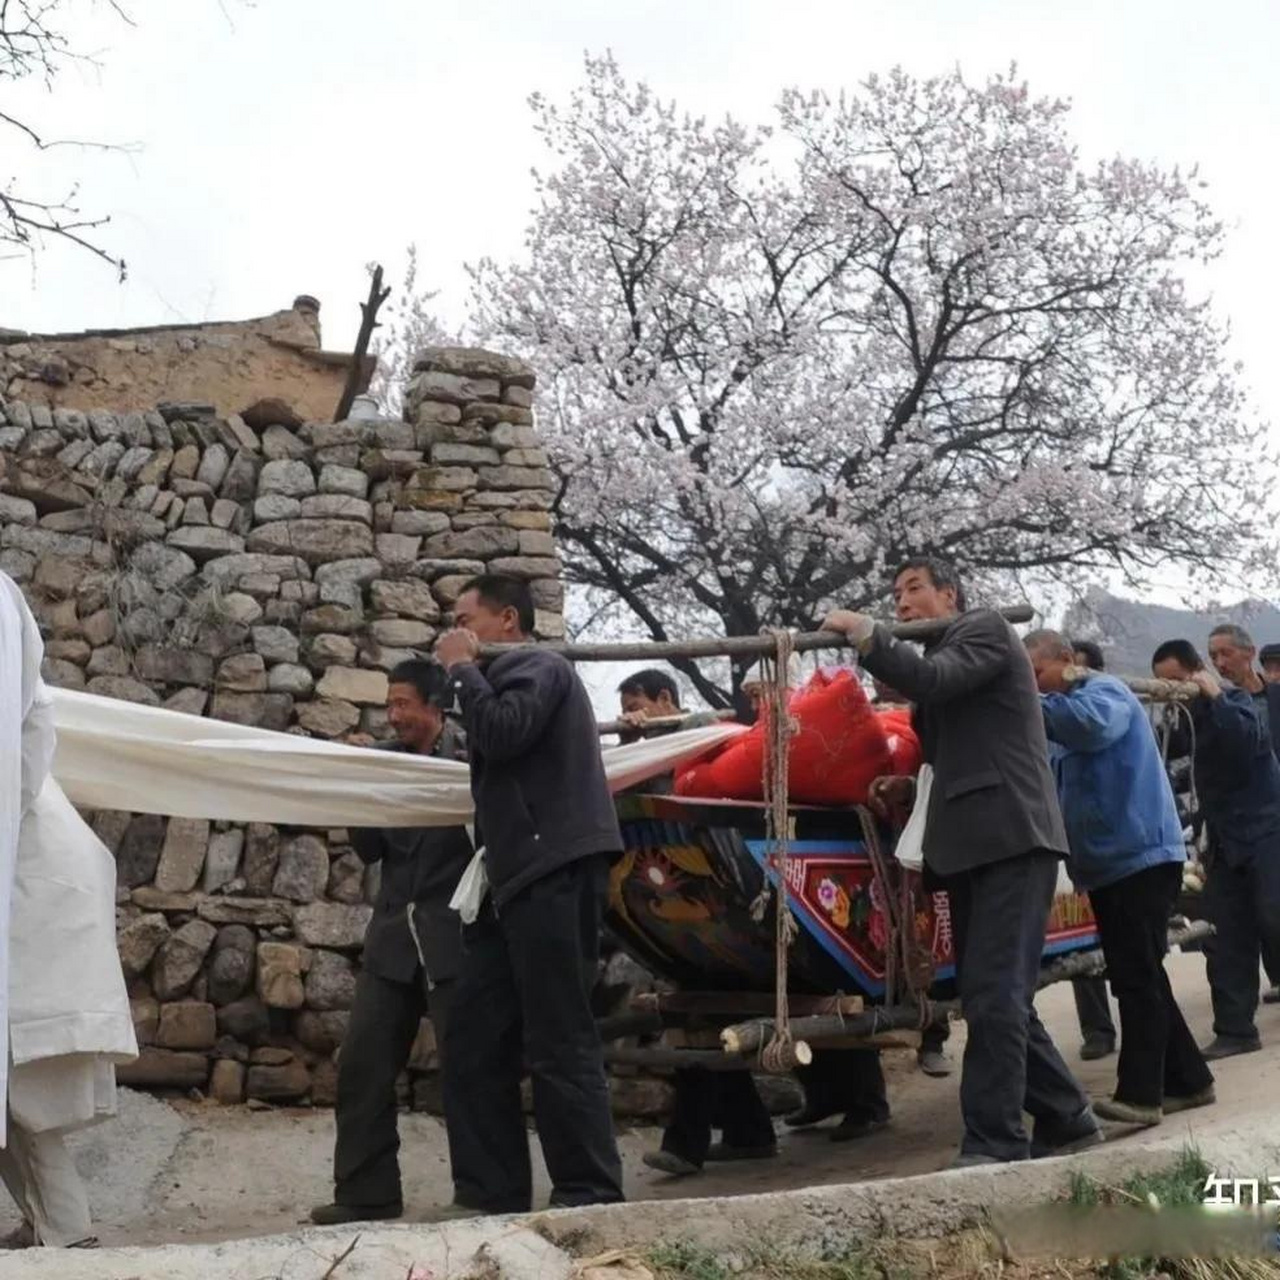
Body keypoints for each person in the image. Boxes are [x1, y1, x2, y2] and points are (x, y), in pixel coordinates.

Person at [825, 557, 1098, 1166]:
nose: (901, 602)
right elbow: (954, 752)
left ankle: (996, 1141)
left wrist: (869, 636)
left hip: (1010, 836)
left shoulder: (985, 628)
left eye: (914, 589)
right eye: (894, 595)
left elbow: (937, 680)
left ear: (951, 594)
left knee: (997, 994)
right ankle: (1066, 1114)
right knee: (988, 994)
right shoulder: (948, 662)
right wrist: (910, 788)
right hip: (971, 844)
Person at [434, 574, 624, 1215]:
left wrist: (461, 671)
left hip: (555, 869)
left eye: (466, 620)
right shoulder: (508, 673)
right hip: (510, 878)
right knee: (473, 1036)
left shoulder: (539, 665)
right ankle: (491, 1190)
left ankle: (588, 1190)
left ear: (507, 619)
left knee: (558, 1035)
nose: (454, 633)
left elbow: (506, 731)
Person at [1025, 631, 1214, 1126]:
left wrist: (1024, 696)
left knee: (1135, 978)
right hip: (1110, 865)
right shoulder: (1056, 716)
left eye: (1035, 672)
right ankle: (1191, 1081)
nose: (1032, 686)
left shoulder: (1101, 693)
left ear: (1066, 661)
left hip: (1140, 858)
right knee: (1141, 972)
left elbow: (1089, 728)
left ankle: (1140, 1096)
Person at [310, 660, 474, 1226]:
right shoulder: (387, 760)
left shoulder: (469, 759)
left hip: (454, 939)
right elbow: (372, 850)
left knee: (469, 1069)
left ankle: (482, 1192)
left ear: (435, 705)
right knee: (362, 1065)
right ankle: (366, 1193)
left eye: (404, 704)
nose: (395, 715)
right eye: (390, 705)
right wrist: (360, 781)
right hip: (392, 943)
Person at [2, 780, 138, 1250]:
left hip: (34, 941)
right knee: (15, 1103)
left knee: (22, 1102)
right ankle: (50, 1224)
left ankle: (68, 1232)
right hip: (42, 931)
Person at [1151, 640, 1280, 1058]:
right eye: (1163, 685)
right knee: (1225, 936)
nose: (1172, 690)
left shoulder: (1240, 702)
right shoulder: (1187, 718)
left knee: (1275, 917)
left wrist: (1215, 696)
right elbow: (1165, 753)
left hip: (1268, 831)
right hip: (1224, 840)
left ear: (1196, 672)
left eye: (1176, 681)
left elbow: (1248, 740)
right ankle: (1236, 1030)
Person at [869, 678, 952, 1079]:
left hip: (922, 844)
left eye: (889, 676)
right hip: (872, 849)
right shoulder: (868, 721)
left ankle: (934, 1036)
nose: (882, 685)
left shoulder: (930, 717)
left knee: (925, 940)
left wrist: (909, 790)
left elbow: (942, 775)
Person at [1206, 624, 1280, 1004]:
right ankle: (1234, 1028)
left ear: (1248, 653)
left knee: (1273, 912)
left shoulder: (1274, 699)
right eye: (1213, 656)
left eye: (1226, 654)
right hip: (1232, 826)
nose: (1219, 662)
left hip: (1274, 822)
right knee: (1230, 928)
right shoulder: (1207, 706)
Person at [1063, 640, 1119, 1060]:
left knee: (1133, 959)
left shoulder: (1109, 704)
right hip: (1073, 848)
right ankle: (1097, 1029)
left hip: (1119, 849)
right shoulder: (1053, 724)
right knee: (1080, 939)